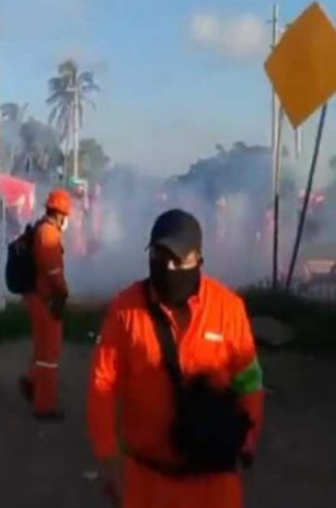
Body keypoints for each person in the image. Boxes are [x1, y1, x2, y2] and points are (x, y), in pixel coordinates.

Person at [87, 209, 264, 508]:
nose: (168, 267)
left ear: (199, 258)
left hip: (215, 484)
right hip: (146, 482)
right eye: (160, 256)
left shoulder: (228, 309)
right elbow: (102, 385)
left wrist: (246, 442)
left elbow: (250, 383)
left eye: (179, 259)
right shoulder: (124, 311)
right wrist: (106, 453)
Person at [19, 188, 71, 422]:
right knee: (49, 354)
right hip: (45, 299)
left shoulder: (41, 228)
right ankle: (45, 406)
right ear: (61, 213)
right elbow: (53, 272)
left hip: (37, 297)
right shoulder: (49, 234)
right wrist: (63, 292)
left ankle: (31, 381)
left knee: (44, 350)